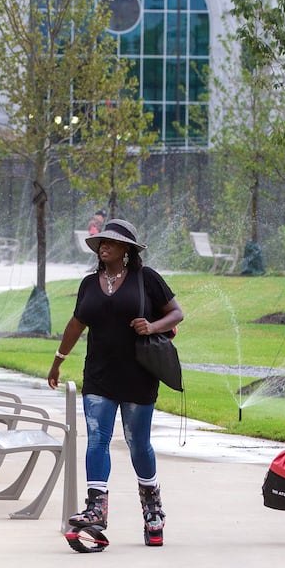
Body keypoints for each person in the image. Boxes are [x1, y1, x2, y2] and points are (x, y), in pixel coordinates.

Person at [47, 219, 184, 547]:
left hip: (138, 374)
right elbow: (76, 324)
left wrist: (151, 327)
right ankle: (96, 510)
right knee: (97, 440)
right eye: (100, 243)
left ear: (126, 249)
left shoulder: (146, 279)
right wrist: (57, 362)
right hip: (98, 376)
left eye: (110, 242)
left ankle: (153, 510)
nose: (102, 246)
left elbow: (176, 314)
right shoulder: (89, 284)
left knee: (138, 444)